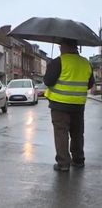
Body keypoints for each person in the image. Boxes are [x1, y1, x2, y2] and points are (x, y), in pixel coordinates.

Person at [44, 39, 94, 172]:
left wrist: (50, 67)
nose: (60, 48)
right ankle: (78, 160)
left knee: (61, 134)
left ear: (66, 46)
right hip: (78, 105)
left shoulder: (58, 62)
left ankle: (63, 163)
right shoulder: (86, 63)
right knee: (77, 133)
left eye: (61, 46)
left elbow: (48, 81)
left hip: (59, 105)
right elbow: (89, 84)